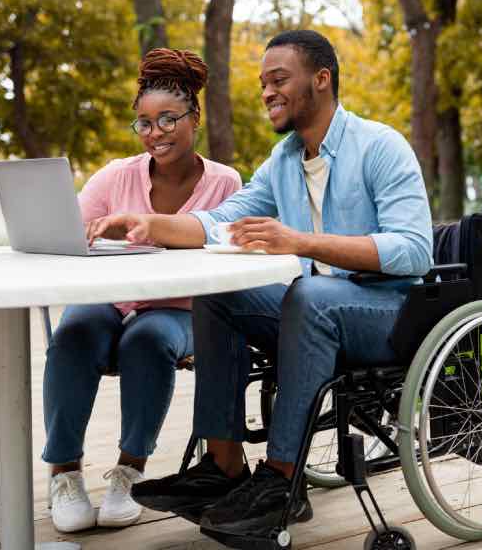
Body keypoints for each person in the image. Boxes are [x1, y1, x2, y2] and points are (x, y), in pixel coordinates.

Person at [86, 30, 432, 536]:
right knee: (217, 286)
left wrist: (302, 243)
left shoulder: (380, 146)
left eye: (278, 80)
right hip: (313, 310)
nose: (267, 92)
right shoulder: (284, 162)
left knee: (309, 293)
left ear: (321, 79)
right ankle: (223, 466)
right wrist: (142, 221)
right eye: (262, 83)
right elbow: (217, 221)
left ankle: (282, 480)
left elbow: (413, 250)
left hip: (387, 311)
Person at [43, 48, 242, 533]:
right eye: (145, 123)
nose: (156, 133)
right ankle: (64, 473)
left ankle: (129, 472)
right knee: (74, 333)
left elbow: (227, 249)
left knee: (147, 341)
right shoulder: (116, 175)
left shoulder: (224, 183)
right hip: (113, 298)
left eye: (168, 119)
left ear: (194, 118)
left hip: (180, 310)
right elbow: (65, 230)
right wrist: (92, 233)